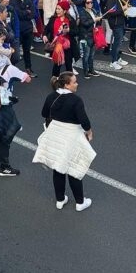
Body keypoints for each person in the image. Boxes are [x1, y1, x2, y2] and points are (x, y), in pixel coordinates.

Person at [35, 72, 95, 211]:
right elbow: (84, 120)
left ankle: (60, 200)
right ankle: (80, 202)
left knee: (58, 167)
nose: (77, 84)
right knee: (73, 168)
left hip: (56, 134)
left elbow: (44, 113)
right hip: (71, 136)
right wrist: (89, 132)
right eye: (74, 82)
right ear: (67, 85)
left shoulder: (52, 96)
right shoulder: (76, 100)